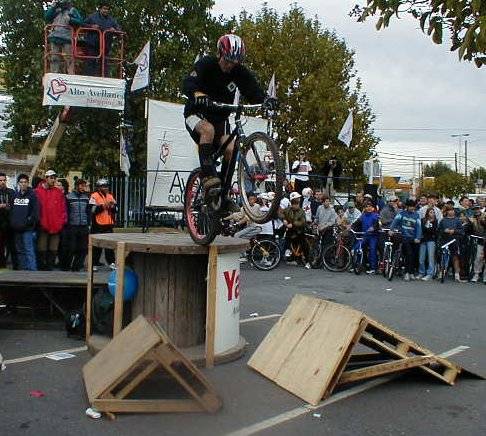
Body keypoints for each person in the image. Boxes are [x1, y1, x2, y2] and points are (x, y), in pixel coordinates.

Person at [182, 34, 276, 211]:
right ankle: (208, 176)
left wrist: (266, 100)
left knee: (232, 148)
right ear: (220, 54)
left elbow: (252, 89)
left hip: (220, 118)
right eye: (227, 60)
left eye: (234, 62)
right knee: (207, 130)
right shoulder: (206, 64)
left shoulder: (239, 72)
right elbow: (188, 82)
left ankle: (222, 193)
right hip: (197, 114)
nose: (230, 65)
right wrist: (196, 94)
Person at [35, 170, 68, 270]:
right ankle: (41, 268)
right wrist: (39, 221)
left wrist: (62, 222)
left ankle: (50, 268)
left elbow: (63, 208)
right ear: (46, 178)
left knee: (53, 249)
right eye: (51, 177)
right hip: (43, 225)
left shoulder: (58, 192)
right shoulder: (37, 191)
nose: (53, 180)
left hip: (56, 226)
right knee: (42, 249)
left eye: (54, 178)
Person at [84, 1, 122, 77]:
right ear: (100, 9)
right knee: (91, 61)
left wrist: (115, 30)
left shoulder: (111, 20)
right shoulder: (92, 17)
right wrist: (91, 26)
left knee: (104, 63)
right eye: (104, 9)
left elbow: (118, 29)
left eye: (107, 9)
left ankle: (104, 78)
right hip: (93, 43)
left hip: (105, 45)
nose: (106, 11)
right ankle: (88, 78)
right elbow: (82, 24)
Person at [10, 175, 39, 271]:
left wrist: (28, 222)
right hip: (16, 228)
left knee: (29, 250)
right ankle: (22, 271)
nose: (23, 184)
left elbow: (35, 212)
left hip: (27, 229)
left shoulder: (32, 196)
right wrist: (13, 222)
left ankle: (32, 272)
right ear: (18, 183)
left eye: (25, 182)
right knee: (19, 251)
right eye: (21, 182)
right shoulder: (15, 195)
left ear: (28, 183)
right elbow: (12, 210)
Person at [45, 1, 83, 74]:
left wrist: (71, 19)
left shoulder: (72, 10)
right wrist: (53, 7)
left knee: (69, 57)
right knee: (54, 57)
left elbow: (80, 22)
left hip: (67, 38)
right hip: (55, 36)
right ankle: (54, 73)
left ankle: (71, 74)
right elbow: (47, 17)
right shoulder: (55, 9)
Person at [390, 199, 422, 281]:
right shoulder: (401, 214)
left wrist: (418, 238)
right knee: (409, 254)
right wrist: (391, 230)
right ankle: (406, 273)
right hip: (404, 237)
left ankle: (411, 272)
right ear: (407, 207)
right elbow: (395, 222)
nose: (412, 208)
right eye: (410, 206)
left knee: (413, 256)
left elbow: (418, 227)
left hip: (414, 239)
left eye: (413, 206)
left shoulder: (417, 215)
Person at [64, 179, 90, 271]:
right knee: (71, 248)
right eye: (81, 186)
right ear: (76, 186)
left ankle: (77, 267)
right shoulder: (68, 197)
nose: (83, 188)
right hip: (72, 226)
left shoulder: (86, 198)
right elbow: (66, 211)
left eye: (84, 186)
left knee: (83, 248)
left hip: (83, 226)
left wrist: (88, 224)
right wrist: (67, 225)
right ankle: (67, 267)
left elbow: (88, 212)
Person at [90, 178, 116, 269]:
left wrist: (112, 206)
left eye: (107, 186)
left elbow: (115, 209)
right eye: (104, 186)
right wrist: (103, 206)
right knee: (97, 245)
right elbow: (92, 210)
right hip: (98, 224)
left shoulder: (110, 196)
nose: (106, 188)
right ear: (99, 187)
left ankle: (111, 262)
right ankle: (94, 263)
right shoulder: (94, 196)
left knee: (110, 245)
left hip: (108, 223)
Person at [351, 201, 380, 274]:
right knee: (357, 247)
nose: (368, 208)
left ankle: (373, 268)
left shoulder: (375, 215)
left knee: (372, 250)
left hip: (373, 236)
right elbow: (356, 223)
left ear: (372, 208)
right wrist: (350, 227)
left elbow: (377, 224)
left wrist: (373, 228)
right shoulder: (362, 216)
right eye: (367, 206)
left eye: (370, 206)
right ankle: (356, 265)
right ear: (365, 208)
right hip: (364, 236)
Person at [438, 205, 465, 282]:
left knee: (455, 258)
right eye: (450, 210)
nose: (451, 211)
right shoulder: (443, 220)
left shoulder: (457, 220)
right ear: (446, 212)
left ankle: (457, 275)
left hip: (455, 241)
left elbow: (462, 232)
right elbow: (439, 231)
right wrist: (444, 231)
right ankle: (441, 273)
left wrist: (454, 231)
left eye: (452, 210)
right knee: (444, 257)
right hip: (445, 241)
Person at [283, 192, 310, 269]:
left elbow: (303, 221)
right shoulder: (287, 210)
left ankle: (308, 261)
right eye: (294, 204)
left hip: (299, 230)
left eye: (297, 204)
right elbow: (282, 214)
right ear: (291, 204)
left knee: (304, 245)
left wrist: (293, 224)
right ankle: (288, 251)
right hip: (290, 230)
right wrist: (284, 220)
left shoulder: (301, 211)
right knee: (286, 238)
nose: (296, 205)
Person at [418, 207, 438, 280]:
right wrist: (428, 228)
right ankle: (421, 272)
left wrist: (428, 228)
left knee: (430, 258)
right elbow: (422, 229)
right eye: (430, 212)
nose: (432, 214)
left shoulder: (435, 221)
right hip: (423, 240)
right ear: (427, 213)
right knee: (421, 258)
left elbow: (434, 231)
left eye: (433, 212)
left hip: (431, 240)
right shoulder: (423, 220)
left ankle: (430, 274)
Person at [469, 205, 486, 283]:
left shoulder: (484, 217)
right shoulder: (472, 219)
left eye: (478, 209)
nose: (476, 210)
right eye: (475, 209)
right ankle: (476, 274)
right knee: (478, 258)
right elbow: (469, 230)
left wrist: (482, 220)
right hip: (479, 241)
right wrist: (470, 223)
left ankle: (485, 277)